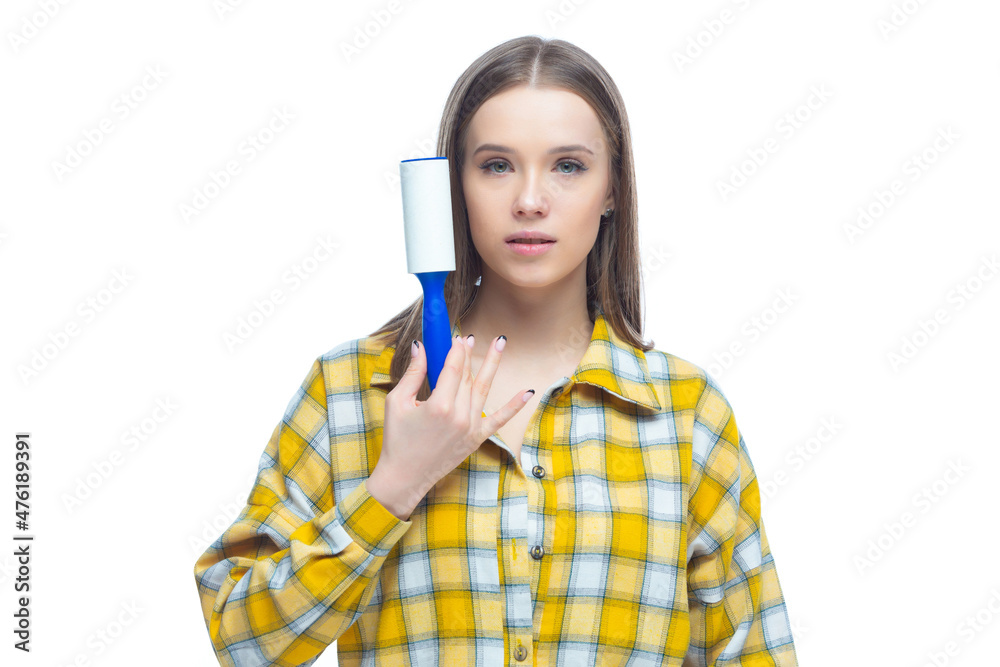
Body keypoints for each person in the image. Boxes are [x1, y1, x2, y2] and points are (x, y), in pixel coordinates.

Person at [193, 35, 799, 666]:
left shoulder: (687, 416)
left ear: (612, 189)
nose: (530, 200)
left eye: (568, 165)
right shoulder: (350, 392)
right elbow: (242, 642)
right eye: (496, 165)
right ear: (455, 186)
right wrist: (395, 485)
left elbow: (755, 654)